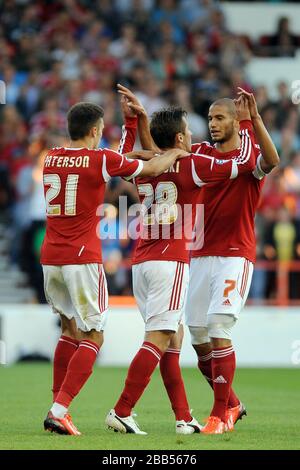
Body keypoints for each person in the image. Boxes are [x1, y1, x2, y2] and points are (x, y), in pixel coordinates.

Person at [105, 86, 257, 435]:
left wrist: (132, 121)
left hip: (141, 261)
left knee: (172, 341)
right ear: (178, 137)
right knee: (159, 339)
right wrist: (246, 123)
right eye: (189, 131)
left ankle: (183, 417)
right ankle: (122, 408)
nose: (194, 135)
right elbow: (246, 162)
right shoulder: (192, 165)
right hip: (170, 261)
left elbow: (123, 156)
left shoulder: (143, 164)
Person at [41, 101, 188, 436]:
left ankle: (56, 406)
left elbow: (122, 159)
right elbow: (149, 169)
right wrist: (176, 154)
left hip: (50, 256)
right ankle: (59, 409)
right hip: (82, 257)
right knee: (94, 334)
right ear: (95, 131)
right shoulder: (100, 159)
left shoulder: (51, 156)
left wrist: (131, 126)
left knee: (68, 329)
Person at [185, 89, 280, 434]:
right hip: (198, 254)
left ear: (235, 121)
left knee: (218, 328)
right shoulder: (200, 153)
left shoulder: (250, 153)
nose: (212, 124)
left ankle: (218, 415)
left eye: (220, 117)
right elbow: (166, 154)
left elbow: (272, 162)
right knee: (197, 337)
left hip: (234, 255)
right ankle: (234, 403)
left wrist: (255, 119)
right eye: (210, 118)